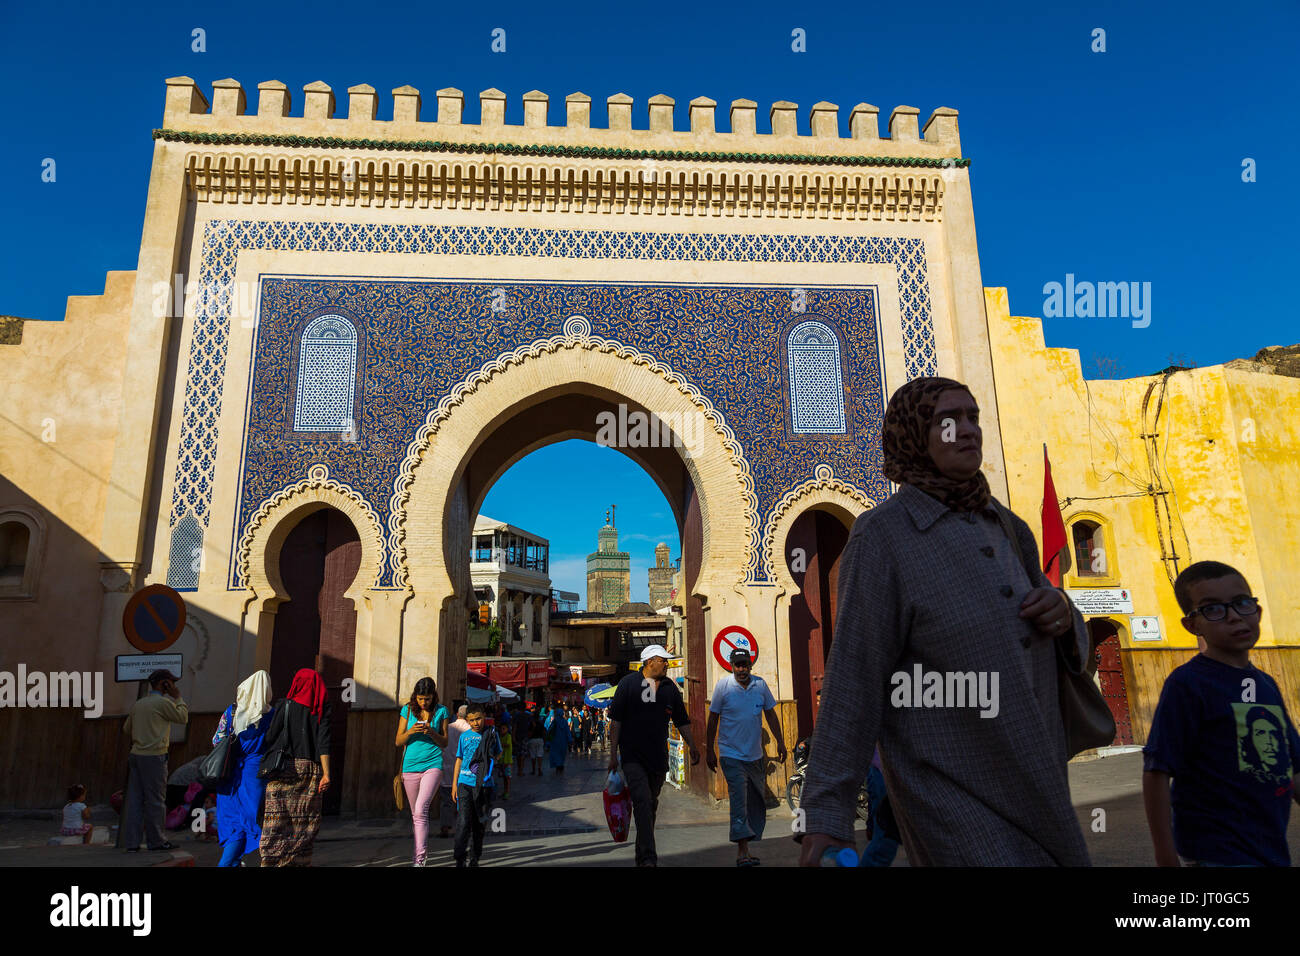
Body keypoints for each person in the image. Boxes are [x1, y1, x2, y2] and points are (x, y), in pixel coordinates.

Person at [797, 377, 1091, 867]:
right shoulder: (883, 535)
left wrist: (1063, 614)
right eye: (949, 420)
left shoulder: (1008, 527)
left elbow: (1058, 616)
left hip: (1036, 777)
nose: (969, 429)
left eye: (973, 416)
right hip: (949, 790)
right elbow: (855, 675)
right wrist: (826, 815)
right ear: (913, 435)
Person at [1143, 560, 1300, 866]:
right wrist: (1165, 854)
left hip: (1271, 852)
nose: (1233, 617)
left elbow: (1293, 768)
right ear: (1192, 625)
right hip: (1217, 855)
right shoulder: (1188, 684)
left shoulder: (1266, 684)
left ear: (1257, 611)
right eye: (1213, 609)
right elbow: (1157, 771)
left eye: (1242, 603)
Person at [608, 644, 700, 866]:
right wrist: (613, 755)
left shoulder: (670, 689)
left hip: (658, 757)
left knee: (650, 805)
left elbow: (682, 720)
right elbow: (616, 722)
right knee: (642, 801)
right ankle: (649, 857)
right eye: (663, 660)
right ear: (650, 662)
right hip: (633, 757)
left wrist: (692, 745)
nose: (667, 664)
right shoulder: (627, 684)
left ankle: (642, 855)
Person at [705, 648, 787, 866]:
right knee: (739, 800)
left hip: (755, 756)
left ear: (751, 666)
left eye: (745, 665)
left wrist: (780, 741)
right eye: (738, 665)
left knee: (755, 801)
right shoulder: (723, 686)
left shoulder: (760, 685)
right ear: (731, 666)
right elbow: (713, 718)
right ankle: (742, 852)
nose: (741, 669)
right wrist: (709, 750)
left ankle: (747, 847)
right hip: (731, 754)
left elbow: (770, 713)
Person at [258, 668, 331, 866]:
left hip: (283, 769)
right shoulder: (321, 708)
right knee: (304, 823)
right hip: (311, 772)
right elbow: (324, 743)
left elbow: (271, 736)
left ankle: (271, 861)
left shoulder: (285, 705)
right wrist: (326, 774)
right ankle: (297, 861)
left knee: (276, 820)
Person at [212, 670, 275, 867]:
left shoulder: (231, 712)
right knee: (250, 820)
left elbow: (216, 741)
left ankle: (232, 861)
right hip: (254, 774)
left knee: (233, 823)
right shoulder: (271, 715)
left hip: (228, 772)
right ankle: (229, 862)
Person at [122, 669, 189, 852]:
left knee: (135, 800)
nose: (174, 686)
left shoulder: (139, 704)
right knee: (156, 801)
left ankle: (131, 843)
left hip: (136, 755)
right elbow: (183, 717)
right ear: (164, 684)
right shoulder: (163, 703)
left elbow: (127, 729)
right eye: (171, 683)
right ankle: (157, 841)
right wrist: (178, 697)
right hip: (154, 756)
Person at [397, 676, 449, 867]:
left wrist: (431, 732)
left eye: (427, 698)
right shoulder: (407, 710)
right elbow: (398, 741)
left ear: (433, 696)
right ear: (415, 697)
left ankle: (420, 860)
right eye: (420, 698)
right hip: (410, 767)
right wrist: (411, 731)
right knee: (416, 815)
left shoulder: (442, 711)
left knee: (421, 809)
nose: (423, 702)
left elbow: (445, 742)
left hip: (433, 764)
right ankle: (418, 856)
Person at [451, 703, 501, 867]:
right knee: (464, 821)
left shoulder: (492, 735)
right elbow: (459, 759)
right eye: (471, 720)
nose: (476, 723)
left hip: (484, 785)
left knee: (479, 824)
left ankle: (474, 858)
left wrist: (489, 761)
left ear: (484, 716)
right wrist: (454, 783)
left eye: (478, 719)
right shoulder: (464, 737)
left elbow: (498, 753)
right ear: (467, 720)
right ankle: (459, 857)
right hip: (464, 783)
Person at [438, 704, 470, 838]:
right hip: (463, 771)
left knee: (446, 800)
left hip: (446, 768)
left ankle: (445, 826)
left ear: (457, 715)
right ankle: (461, 827)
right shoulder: (471, 731)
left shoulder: (448, 728)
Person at [547, 704, 572, 774]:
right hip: (563, 741)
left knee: (556, 753)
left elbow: (550, 731)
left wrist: (548, 741)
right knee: (562, 754)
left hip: (555, 741)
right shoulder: (564, 721)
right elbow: (567, 731)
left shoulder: (554, 721)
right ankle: (561, 765)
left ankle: (557, 766)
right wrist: (570, 739)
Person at [498, 721, 513, 799]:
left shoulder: (508, 736)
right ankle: (505, 791)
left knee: (507, 778)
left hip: (507, 761)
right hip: (502, 761)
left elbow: (507, 745)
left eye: (504, 729)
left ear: (507, 729)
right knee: (504, 777)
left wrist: (499, 743)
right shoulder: (500, 737)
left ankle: (507, 792)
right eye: (501, 729)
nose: (502, 730)